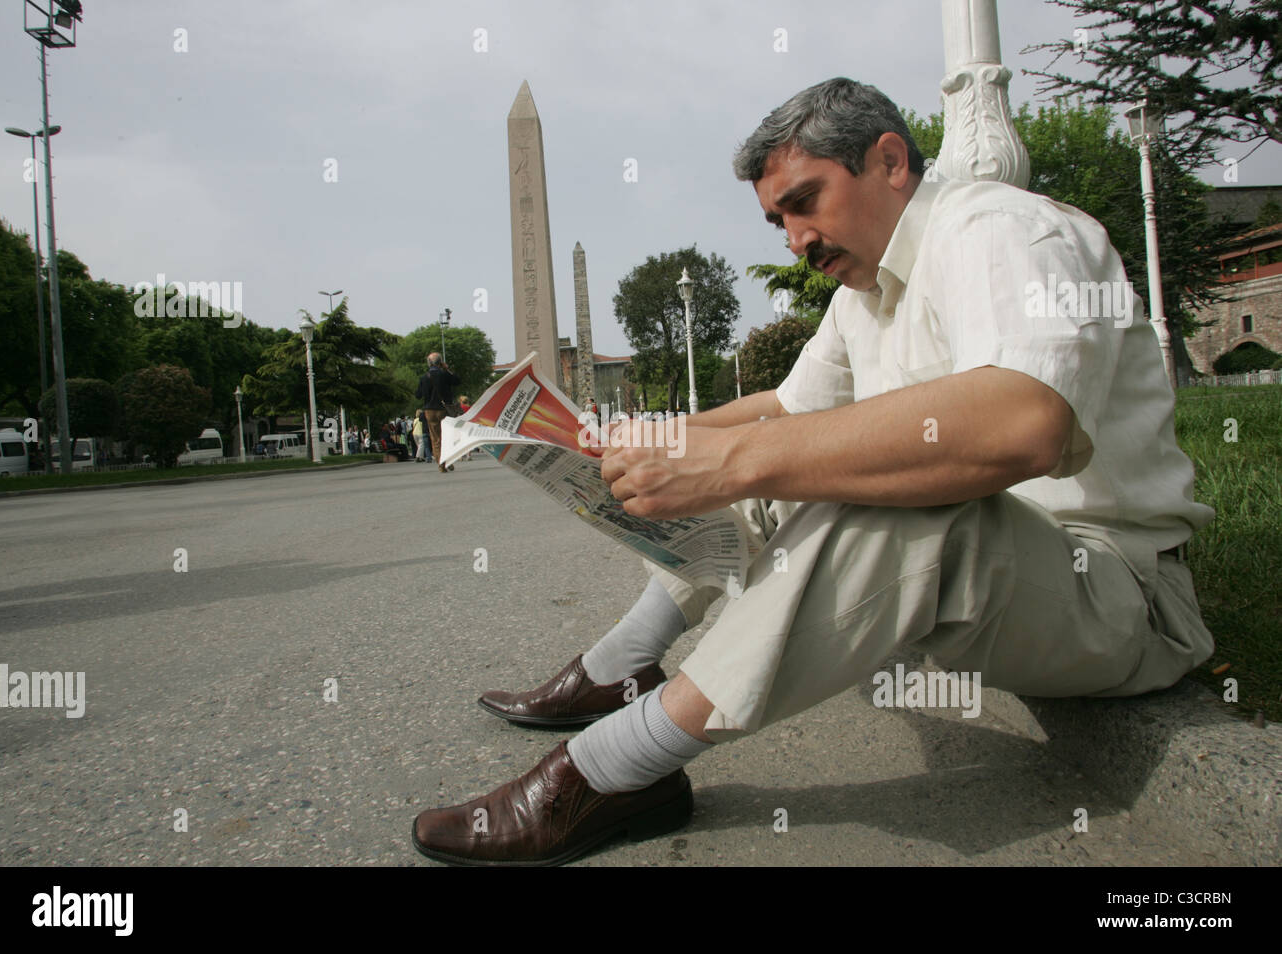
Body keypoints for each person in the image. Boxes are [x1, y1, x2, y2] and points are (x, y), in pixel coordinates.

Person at [412, 77, 1215, 866]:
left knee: (877, 491)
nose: (794, 238)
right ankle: (620, 664)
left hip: (1118, 598)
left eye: (804, 202)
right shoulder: (863, 287)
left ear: (891, 161)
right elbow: (788, 413)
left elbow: (1024, 424)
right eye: (778, 221)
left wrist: (737, 461)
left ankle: (612, 770)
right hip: (1016, 585)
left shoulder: (1002, 231)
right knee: (794, 460)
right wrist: (642, 437)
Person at [416, 353, 461, 472]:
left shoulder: (424, 377)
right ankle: (448, 460)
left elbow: (418, 395)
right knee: (447, 436)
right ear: (440, 363)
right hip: (443, 409)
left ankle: (441, 463)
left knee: (435, 438)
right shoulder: (444, 374)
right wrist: (447, 369)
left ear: (429, 363)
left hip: (429, 411)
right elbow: (457, 381)